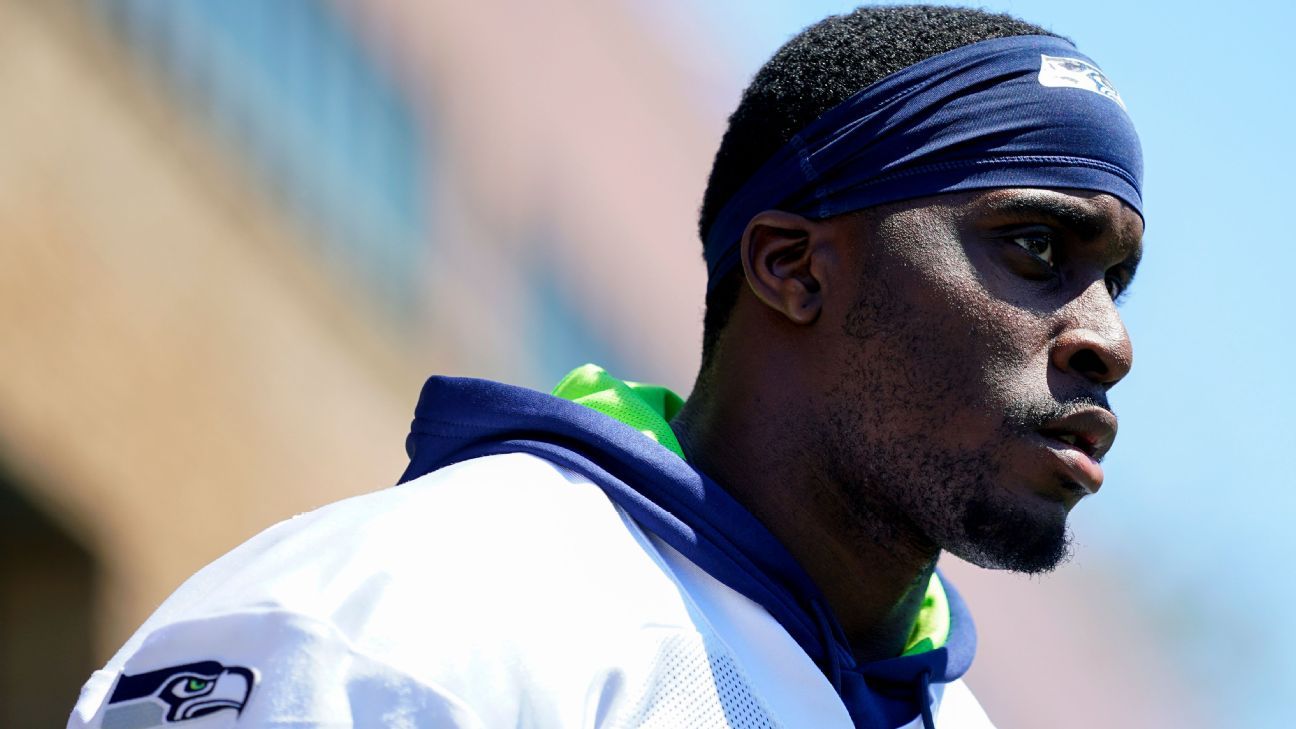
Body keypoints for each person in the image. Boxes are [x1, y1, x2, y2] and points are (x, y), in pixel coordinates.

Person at [68, 5, 1143, 728]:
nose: (1108, 338)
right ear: (793, 268)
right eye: (1036, 246)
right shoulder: (408, 620)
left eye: (1116, 280)